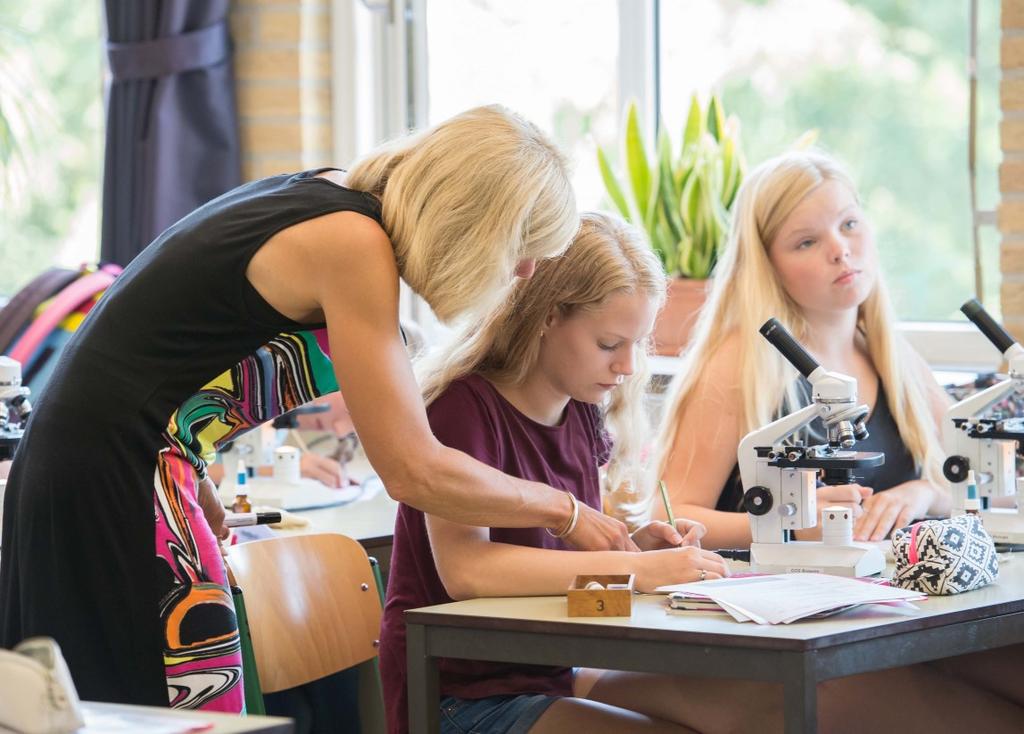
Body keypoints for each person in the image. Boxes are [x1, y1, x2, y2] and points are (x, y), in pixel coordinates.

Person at [0, 105, 634, 713]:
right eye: (522, 246)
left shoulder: (329, 197)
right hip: (113, 480)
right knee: (170, 713)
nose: (524, 270)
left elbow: (162, 370)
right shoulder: (352, 243)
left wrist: (195, 472)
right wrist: (565, 511)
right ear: (476, 224)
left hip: (112, 464)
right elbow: (414, 470)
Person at [381, 212, 1024, 734]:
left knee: (799, 701)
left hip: (557, 672)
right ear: (546, 318)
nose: (628, 368)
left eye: (637, 345)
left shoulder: (578, 417)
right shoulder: (462, 411)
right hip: (465, 700)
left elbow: (557, 558)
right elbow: (470, 571)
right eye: (610, 345)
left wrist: (634, 548)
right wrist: (635, 570)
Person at [656, 150, 951, 550]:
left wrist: (927, 495)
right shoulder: (739, 364)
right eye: (807, 241)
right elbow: (668, 517)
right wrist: (787, 521)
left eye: (849, 224)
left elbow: (984, 485)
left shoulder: (894, 359)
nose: (839, 250)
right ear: (768, 265)